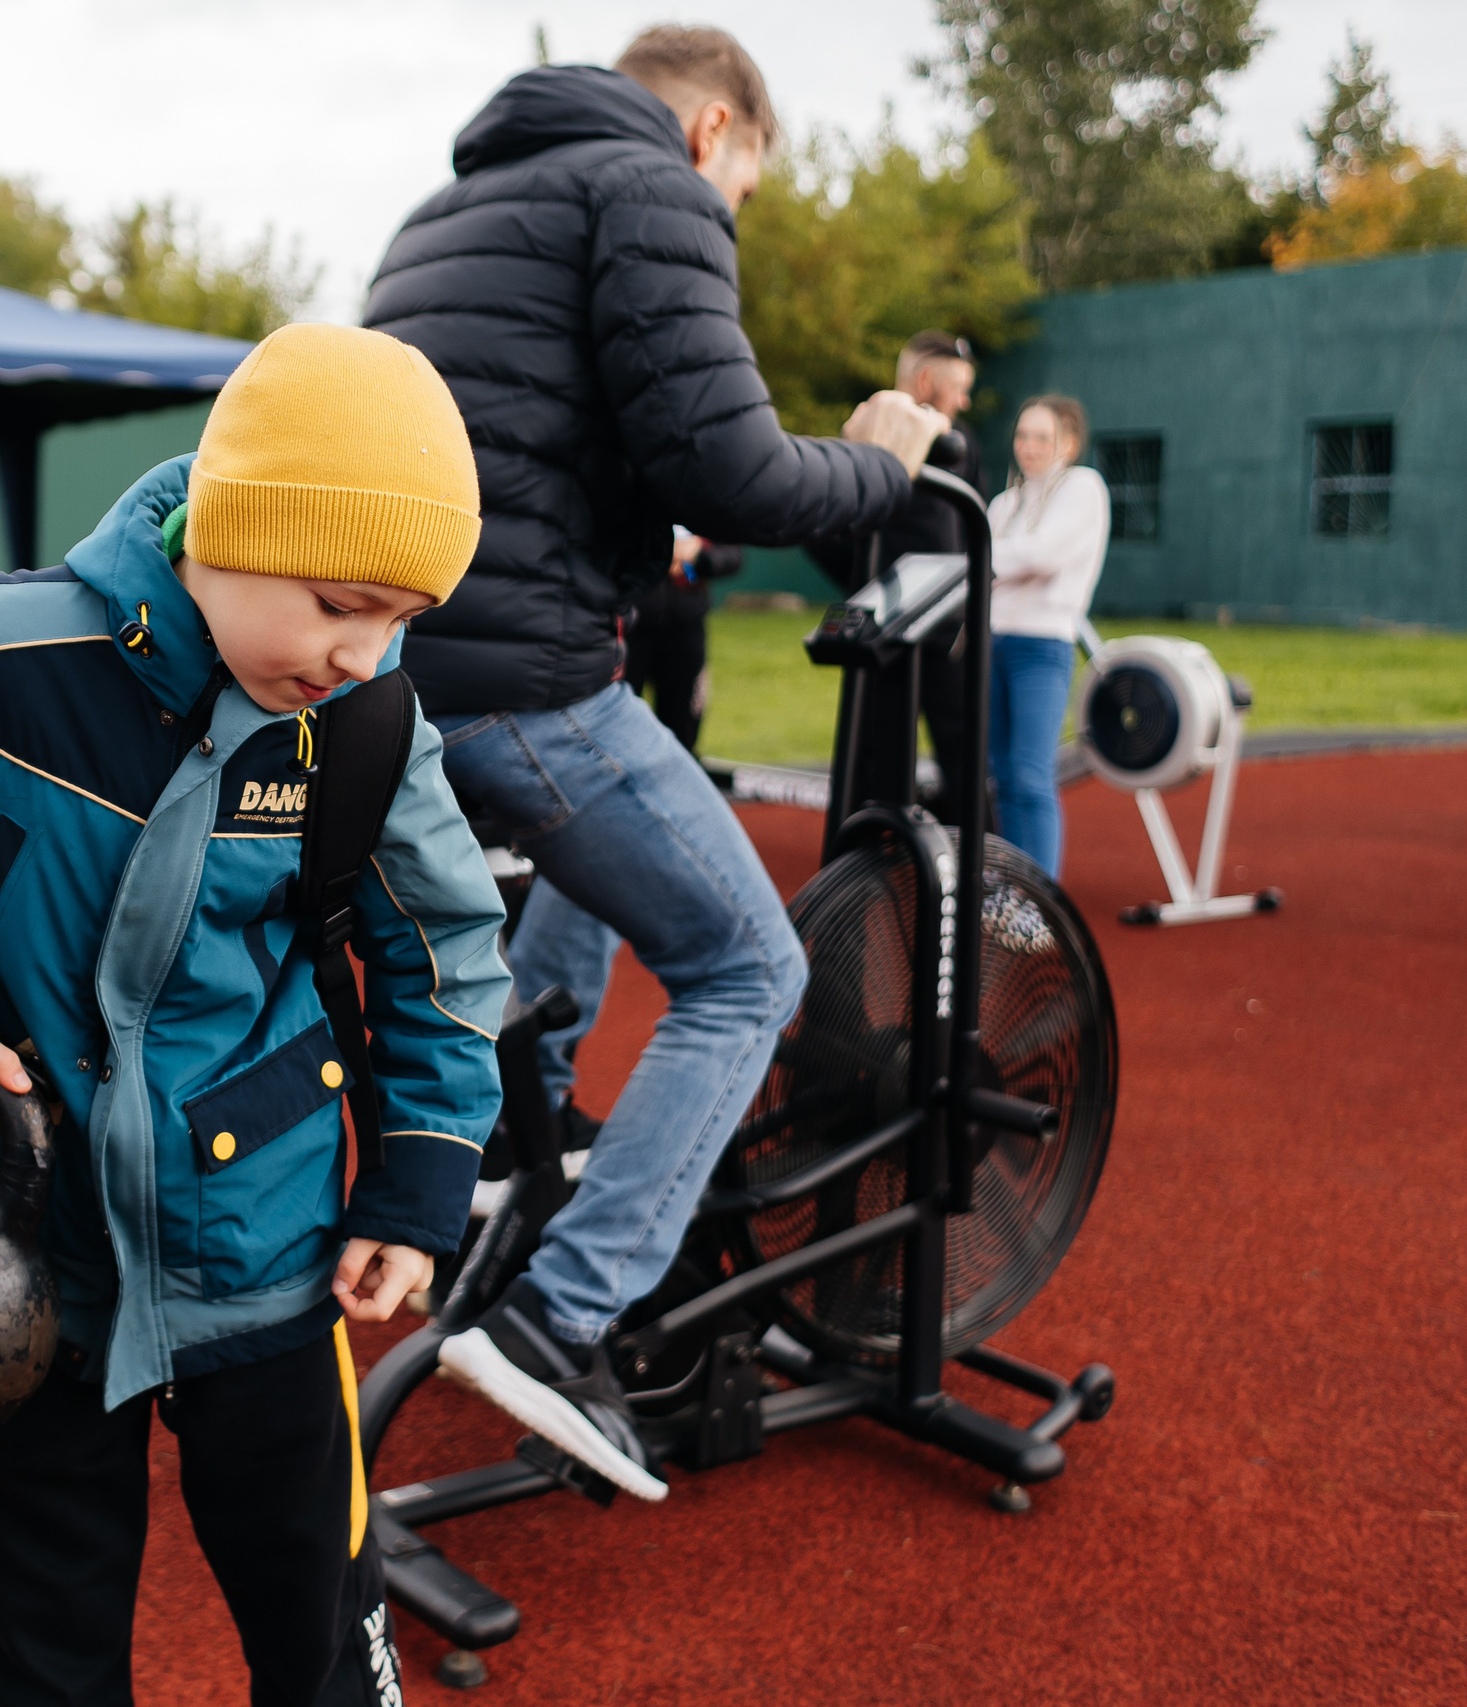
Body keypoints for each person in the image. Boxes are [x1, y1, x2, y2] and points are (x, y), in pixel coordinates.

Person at [0, 324, 508, 1705]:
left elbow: (449, 953)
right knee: (48, 1633)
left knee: (317, 1606)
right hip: (22, 1249)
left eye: (404, 619)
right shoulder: (2, 660)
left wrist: (417, 1187)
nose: (365, 653)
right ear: (230, 529)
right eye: (344, 601)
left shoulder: (364, 727)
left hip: (269, 1243)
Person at [364, 23, 942, 1499]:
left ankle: (528, 1127)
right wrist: (885, 457)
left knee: (604, 869)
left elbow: (544, 439)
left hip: (399, 677)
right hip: (527, 683)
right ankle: (561, 1316)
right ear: (717, 132)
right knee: (752, 964)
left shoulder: (447, 211)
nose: (736, 213)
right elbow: (723, 464)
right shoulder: (654, 190)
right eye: (747, 183)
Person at [810, 330, 991, 829]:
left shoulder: (960, 442)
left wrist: (970, 606)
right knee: (874, 750)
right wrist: (864, 593)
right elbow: (825, 529)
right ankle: (864, 864)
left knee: (964, 747)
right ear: (927, 379)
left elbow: (973, 528)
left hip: (947, 623)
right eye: (958, 387)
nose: (964, 400)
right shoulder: (872, 434)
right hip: (884, 623)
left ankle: (986, 873)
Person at [987, 395, 1109, 880]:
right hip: (993, 642)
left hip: (1041, 646)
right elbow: (997, 560)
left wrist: (999, 558)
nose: (1029, 447)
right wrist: (1009, 559)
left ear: (1069, 443)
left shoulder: (1083, 487)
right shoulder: (1006, 501)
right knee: (1001, 776)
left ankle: (1041, 898)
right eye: (1022, 436)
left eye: (1042, 437)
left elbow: (1042, 555)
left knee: (1031, 773)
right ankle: (1011, 885)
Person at [623, 529, 745, 751]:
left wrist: (697, 556)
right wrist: (657, 554)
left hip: (685, 628)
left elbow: (731, 556)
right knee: (620, 726)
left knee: (682, 730)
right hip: (631, 628)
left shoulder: (702, 502)